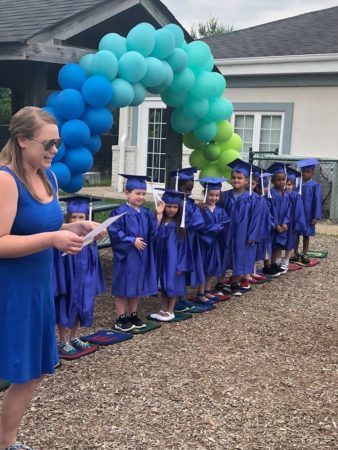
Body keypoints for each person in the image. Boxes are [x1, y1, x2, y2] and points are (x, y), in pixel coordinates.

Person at [0, 107, 99, 450]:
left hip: (38, 288)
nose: (55, 150)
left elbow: (43, 227)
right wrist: (52, 240)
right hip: (10, 291)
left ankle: (6, 441)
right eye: (48, 142)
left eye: (58, 142)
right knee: (19, 368)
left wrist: (72, 228)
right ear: (23, 140)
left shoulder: (49, 177)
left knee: (34, 371)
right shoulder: (5, 180)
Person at [108, 174, 164, 332]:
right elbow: (114, 232)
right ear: (127, 193)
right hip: (126, 256)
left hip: (142, 255)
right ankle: (120, 317)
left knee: (137, 285)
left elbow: (153, 232)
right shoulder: (119, 212)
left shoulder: (146, 213)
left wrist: (158, 214)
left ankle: (133, 314)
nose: (141, 197)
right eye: (137, 193)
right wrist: (131, 240)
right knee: (122, 285)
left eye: (143, 194)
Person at [54, 196, 106, 356]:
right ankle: (63, 340)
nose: (77, 220)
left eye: (81, 217)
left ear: (87, 219)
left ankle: (74, 336)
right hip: (68, 276)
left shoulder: (90, 239)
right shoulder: (63, 237)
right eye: (73, 217)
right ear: (68, 219)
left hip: (84, 277)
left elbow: (94, 260)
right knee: (65, 303)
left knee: (82, 303)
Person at [221, 159, 263, 296]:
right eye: (233, 178)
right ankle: (220, 283)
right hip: (227, 232)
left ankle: (236, 282)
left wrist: (253, 235)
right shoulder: (225, 196)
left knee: (241, 256)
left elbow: (257, 219)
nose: (236, 180)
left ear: (246, 181)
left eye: (240, 178)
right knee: (225, 255)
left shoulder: (254, 198)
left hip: (244, 234)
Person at [150, 189, 193, 321]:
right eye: (169, 206)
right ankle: (163, 309)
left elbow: (185, 248)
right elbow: (153, 236)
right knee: (161, 285)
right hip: (161, 260)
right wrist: (158, 217)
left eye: (175, 207)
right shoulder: (159, 222)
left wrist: (181, 265)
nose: (172, 210)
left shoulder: (179, 226)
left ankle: (170, 310)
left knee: (173, 285)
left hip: (174, 262)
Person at [169, 168, 209, 307]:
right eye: (186, 189)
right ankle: (175, 297)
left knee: (186, 267)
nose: (188, 193)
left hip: (189, 239)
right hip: (177, 240)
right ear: (177, 187)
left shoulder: (189, 202)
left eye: (190, 190)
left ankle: (182, 296)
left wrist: (197, 208)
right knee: (177, 267)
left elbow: (196, 222)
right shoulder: (173, 203)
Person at [196, 177, 230, 301]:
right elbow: (199, 227)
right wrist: (216, 228)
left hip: (215, 244)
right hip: (203, 244)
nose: (214, 198)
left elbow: (226, 226)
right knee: (203, 268)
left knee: (211, 268)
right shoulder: (200, 209)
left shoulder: (221, 211)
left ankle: (207, 290)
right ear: (205, 194)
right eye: (211, 195)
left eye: (216, 195)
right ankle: (200, 293)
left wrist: (219, 229)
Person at [263, 162, 291, 276]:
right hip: (272, 225)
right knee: (269, 245)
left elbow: (289, 210)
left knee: (278, 245)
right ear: (273, 181)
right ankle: (267, 266)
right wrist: (275, 224)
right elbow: (267, 211)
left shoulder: (286, 195)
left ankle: (274, 264)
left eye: (283, 179)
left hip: (282, 225)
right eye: (278, 180)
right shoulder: (269, 194)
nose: (281, 182)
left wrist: (285, 222)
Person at [293, 158, 322, 264]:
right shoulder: (298, 184)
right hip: (298, 214)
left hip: (309, 215)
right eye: (302, 171)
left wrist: (316, 216)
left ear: (313, 173)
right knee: (295, 234)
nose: (304, 173)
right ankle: (295, 252)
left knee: (306, 234)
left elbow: (317, 201)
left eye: (307, 172)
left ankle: (305, 253)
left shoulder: (315, 185)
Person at [282, 168, 306, 270]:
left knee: (290, 242)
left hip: (291, 223)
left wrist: (297, 223)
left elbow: (299, 211)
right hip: (281, 222)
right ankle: (278, 261)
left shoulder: (296, 196)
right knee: (279, 242)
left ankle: (286, 262)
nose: (287, 187)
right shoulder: (280, 194)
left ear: (293, 185)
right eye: (285, 184)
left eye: (289, 184)